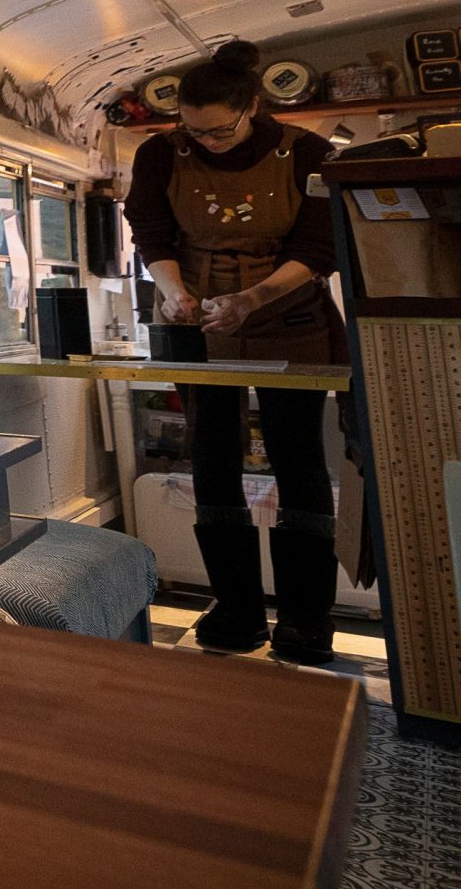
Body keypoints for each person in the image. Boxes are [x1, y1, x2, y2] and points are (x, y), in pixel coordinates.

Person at [124, 39, 348, 664]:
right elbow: (151, 231)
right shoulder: (161, 153)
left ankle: (306, 617)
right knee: (211, 456)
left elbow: (318, 247)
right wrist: (172, 294)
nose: (205, 144)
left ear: (253, 107)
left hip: (290, 312)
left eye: (219, 132)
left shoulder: (306, 152)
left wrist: (253, 299)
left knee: (296, 457)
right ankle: (236, 607)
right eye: (193, 133)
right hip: (193, 319)